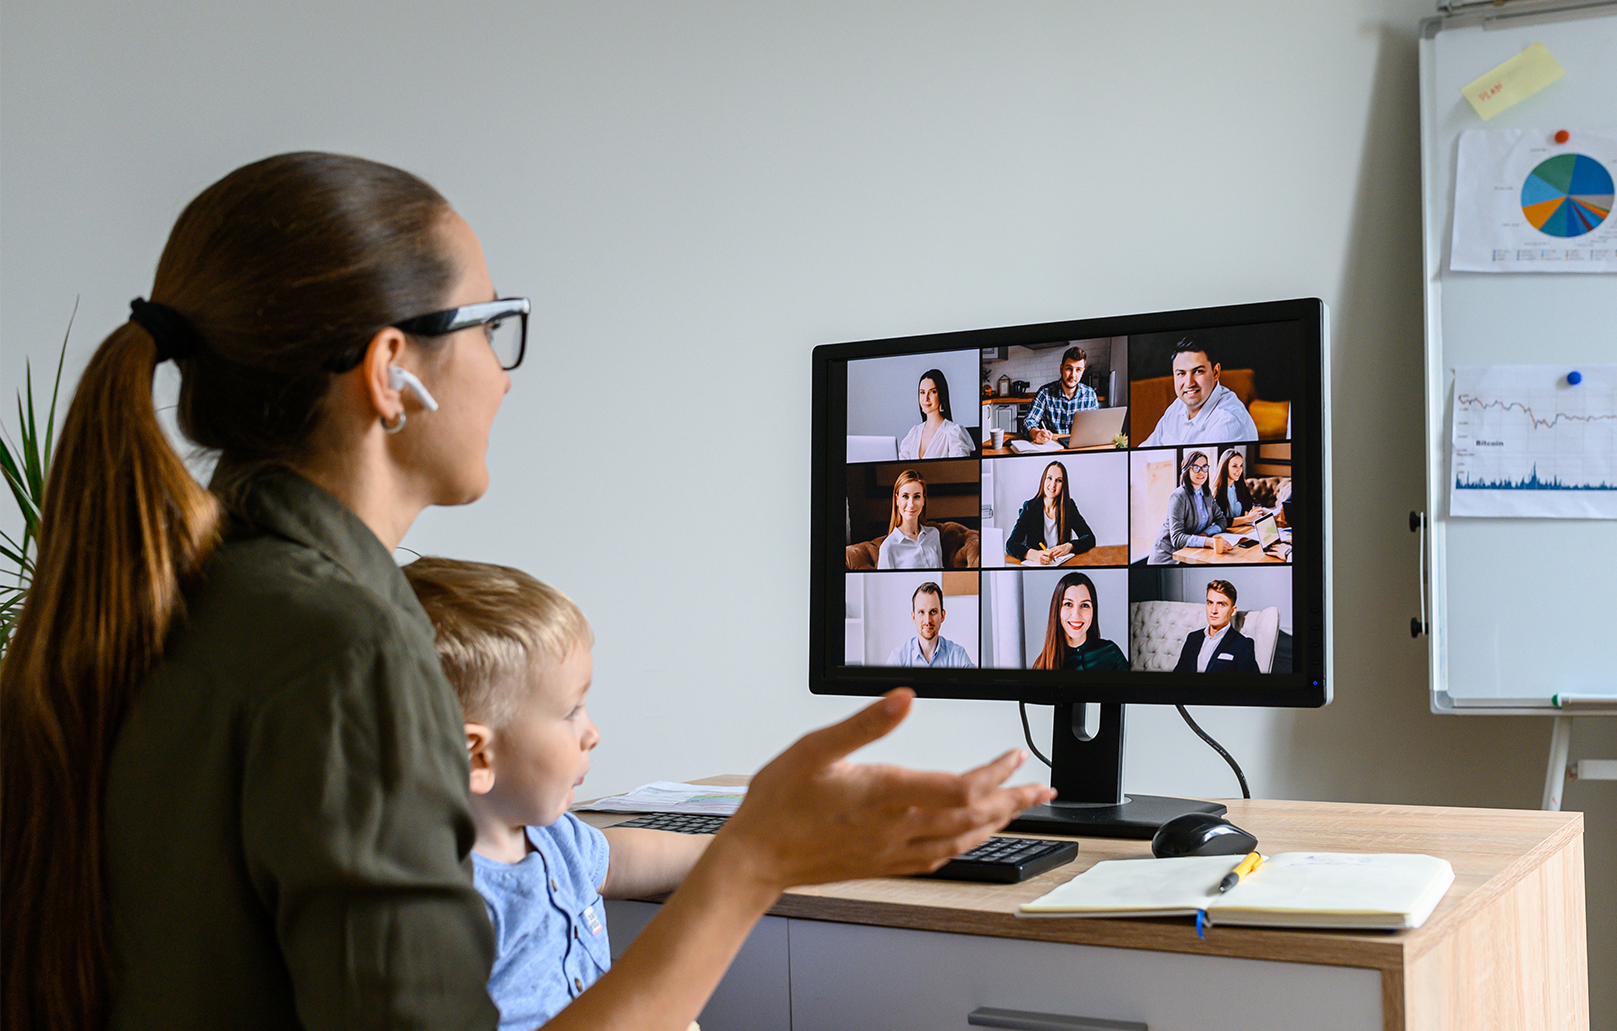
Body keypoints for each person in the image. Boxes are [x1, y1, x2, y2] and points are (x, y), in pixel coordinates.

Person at [0, 152, 1053, 1031]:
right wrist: (754, 863)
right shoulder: (344, 648)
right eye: (492, 325)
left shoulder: (188, 599)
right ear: (391, 370)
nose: (504, 374)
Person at [403, 557, 712, 1030]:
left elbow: (621, 859)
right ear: (477, 758)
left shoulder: (548, 834)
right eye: (571, 712)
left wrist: (735, 848)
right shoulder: (447, 905)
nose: (593, 734)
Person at [1140, 335, 1257, 447]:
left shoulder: (1227, 422)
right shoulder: (1178, 405)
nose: (1189, 383)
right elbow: (1143, 453)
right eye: (1181, 373)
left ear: (1215, 372)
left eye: (1198, 371)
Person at [1031, 572, 1128, 671]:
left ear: (1093, 611)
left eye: (1085, 605)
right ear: (1057, 610)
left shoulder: (1111, 652)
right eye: (1068, 604)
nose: (1076, 614)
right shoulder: (1043, 665)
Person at [1004, 460, 1096, 565]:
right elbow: (1011, 544)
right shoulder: (1030, 507)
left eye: (1059, 480)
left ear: (1063, 485)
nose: (1053, 485)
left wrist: (1069, 545)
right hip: (1038, 565)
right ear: (1044, 480)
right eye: (1049, 478)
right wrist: (1033, 555)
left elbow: (1089, 538)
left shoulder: (1068, 506)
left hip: (1061, 563)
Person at [1149, 450, 1232, 564]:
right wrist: (1208, 542)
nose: (1201, 472)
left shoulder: (1207, 494)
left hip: (1191, 551)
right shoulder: (1178, 496)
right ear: (1187, 470)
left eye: (1204, 467)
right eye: (1196, 468)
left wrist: (1205, 534)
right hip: (1169, 556)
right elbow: (1177, 538)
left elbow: (1221, 520)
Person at [1172, 579, 1260, 674]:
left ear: (1233, 611)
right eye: (1210, 603)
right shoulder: (1193, 638)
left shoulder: (1243, 645)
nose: (1213, 610)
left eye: (1221, 604)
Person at [1021, 346, 1102, 444]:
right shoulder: (1045, 392)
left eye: (1078, 370)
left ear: (1082, 372)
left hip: (1079, 448)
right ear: (1061, 369)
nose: (1073, 375)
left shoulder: (1090, 395)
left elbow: (1095, 427)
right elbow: (1028, 421)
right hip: (1051, 447)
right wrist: (1036, 433)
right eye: (1069, 368)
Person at [885, 582, 976, 667]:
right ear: (913, 617)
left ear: (942, 615)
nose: (927, 620)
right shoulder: (898, 658)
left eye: (933, 612)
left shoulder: (958, 655)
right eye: (921, 612)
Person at [876, 468, 944, 570]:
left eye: (916, 496)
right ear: (897, 500)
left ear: (923, 500)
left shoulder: (934, 534)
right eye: (905, 496)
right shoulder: (888, 547)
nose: (911, 504)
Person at [898, 368, 974, 459]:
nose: (926, 398)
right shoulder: (914, 433)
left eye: (932, 392)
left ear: (941, 395)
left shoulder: (953, 432)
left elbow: (958, 468)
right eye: (922, 392)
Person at [1213, 448, 1266, 527]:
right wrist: (1247, 518)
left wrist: (1268, 512)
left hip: (1239, 531)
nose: (1239, 470)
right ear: (1225, 467)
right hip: (1224, 534)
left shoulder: (1240, 486)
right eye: (1234, 466)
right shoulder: (1216, 491)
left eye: (1241, 465)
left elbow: (1251, 504)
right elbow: (1220, 521)